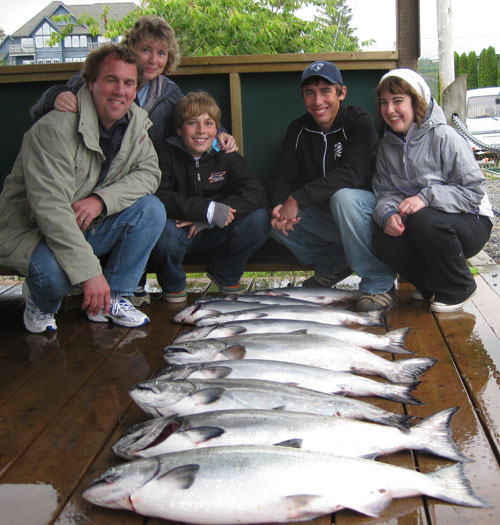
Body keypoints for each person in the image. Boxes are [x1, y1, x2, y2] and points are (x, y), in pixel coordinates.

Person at [29, 16, 237, 305]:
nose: (153, 59)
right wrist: (57, 95)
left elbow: (192, 119)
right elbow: (43, 110)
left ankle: (125, 287)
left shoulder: (169, 91)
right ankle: (83, 277)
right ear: (130, 49)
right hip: (92, 176)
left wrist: (221, 135)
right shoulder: (101, 78)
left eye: (161, 53)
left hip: (137, 177)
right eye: (146, 50)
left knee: (148, 207)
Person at [0, 43, 166, 333]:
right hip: (32, 231)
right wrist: (90, 274)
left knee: (151, 210)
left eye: (129, 83)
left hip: (83, 224)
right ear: (91, 83)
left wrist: (102, 200)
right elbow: (50, 211)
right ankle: (41, 302)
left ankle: (114, 297)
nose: (120, 91)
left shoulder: (135, 124)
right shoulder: (55, 129)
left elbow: (150, 172)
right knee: (55, 277)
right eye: (111, 80)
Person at [267, 60, 397, 312]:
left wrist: (298, 199)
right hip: (327, 219)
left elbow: (352, 174)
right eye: (309, 93)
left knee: (344, 198)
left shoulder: (357, 120)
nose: (317, 102)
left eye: (325, 91)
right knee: (271, 222)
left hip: (367, 216)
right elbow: (281, 176)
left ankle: (379, 283)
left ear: (341, 93)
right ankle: (334, 262)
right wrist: (279, 204)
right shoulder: (298, 129)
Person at [372, 68, 493, 313]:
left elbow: (474, 191)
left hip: (471, 221)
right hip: (426, 224)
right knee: (382, 238)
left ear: (417, 102)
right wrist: (387, 214)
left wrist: (425, 197)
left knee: (421, 218)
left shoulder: (445, 136)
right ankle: (433, 285)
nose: (389, 109)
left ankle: (459, 286)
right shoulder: (386, 146)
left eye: (398, 101)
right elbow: (385, 191)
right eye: (384, 102)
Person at [149, 90, 269, 302]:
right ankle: (173, 284)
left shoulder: (225, 154)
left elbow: (256, 192)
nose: (201, 131)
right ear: (179, 129)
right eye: (192, 123)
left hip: (214, 230)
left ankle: (225, 273)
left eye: (209, 123)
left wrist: (213, 215)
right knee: (161, 229)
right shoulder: (164, 154)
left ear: (217, 129)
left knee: (259, 218)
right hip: (179, 230)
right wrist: (204, 209)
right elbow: (159, 194)